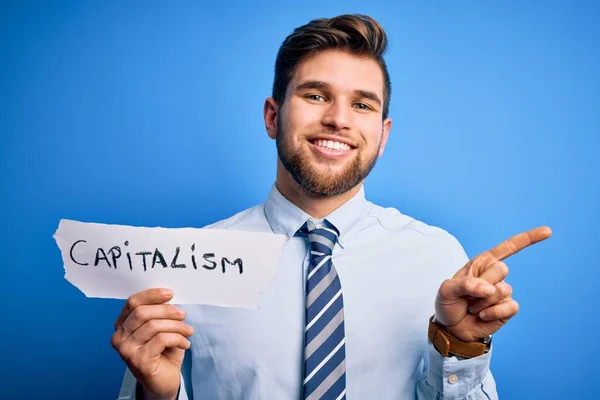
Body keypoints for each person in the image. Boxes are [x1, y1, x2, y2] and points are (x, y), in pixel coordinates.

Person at [112, 14, 551, 400]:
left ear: (383, 136)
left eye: (362, 104)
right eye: (316, 96)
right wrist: (157, 396)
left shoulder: (438, 260)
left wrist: (458, 348)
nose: (339, 119)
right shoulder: (187, 269)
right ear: (272, 116)